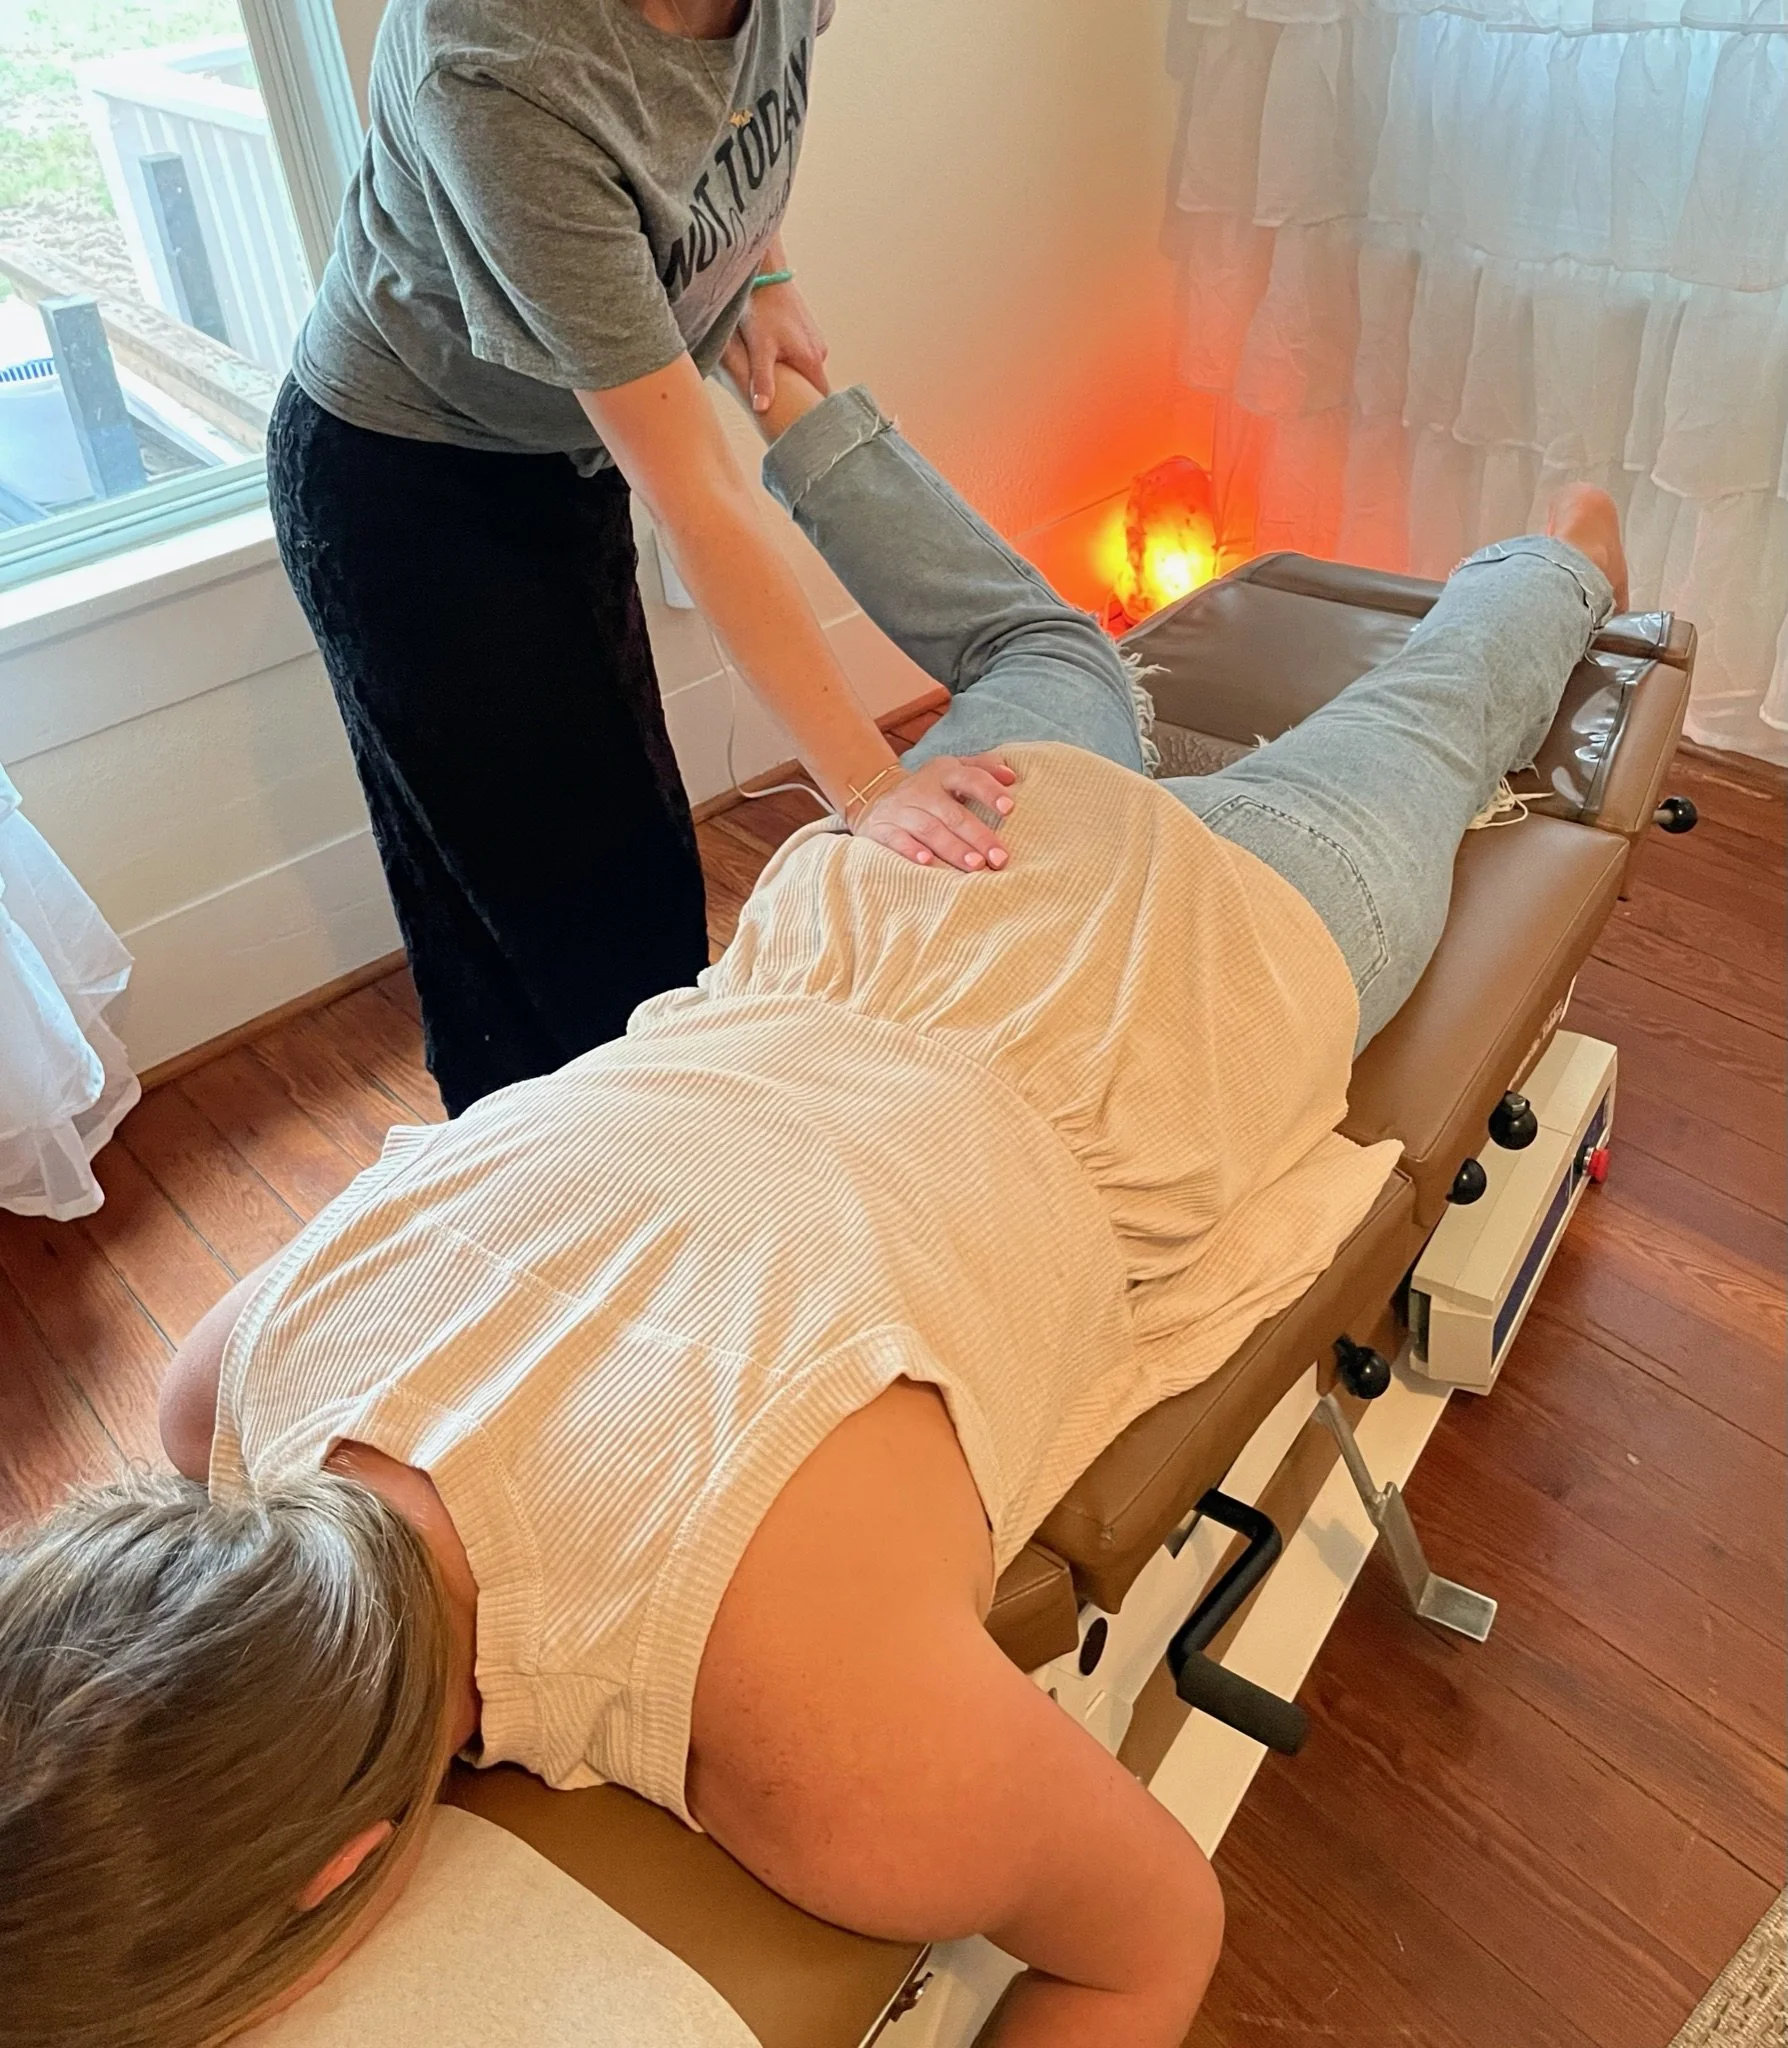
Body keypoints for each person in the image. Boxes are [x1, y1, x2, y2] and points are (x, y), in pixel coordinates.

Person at [0, 373, 1629, 2048]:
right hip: (892, 902)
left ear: (345, 1870)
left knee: (1436, 712)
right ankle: (812, 407)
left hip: (1179, 995)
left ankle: (1565, 559)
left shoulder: (831, 1755)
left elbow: (1150, 1939)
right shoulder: (230, 1377)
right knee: (1051, 664)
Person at [270, 0, 1013, 1117]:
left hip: (556, 456)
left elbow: (716, 126)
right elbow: (701, 498)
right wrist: (869, 783)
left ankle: (639, 1158)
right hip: (410, 495)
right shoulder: (495, 67)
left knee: (640, 868)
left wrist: (761, 274)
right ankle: (544, 1207)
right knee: (552, 939)